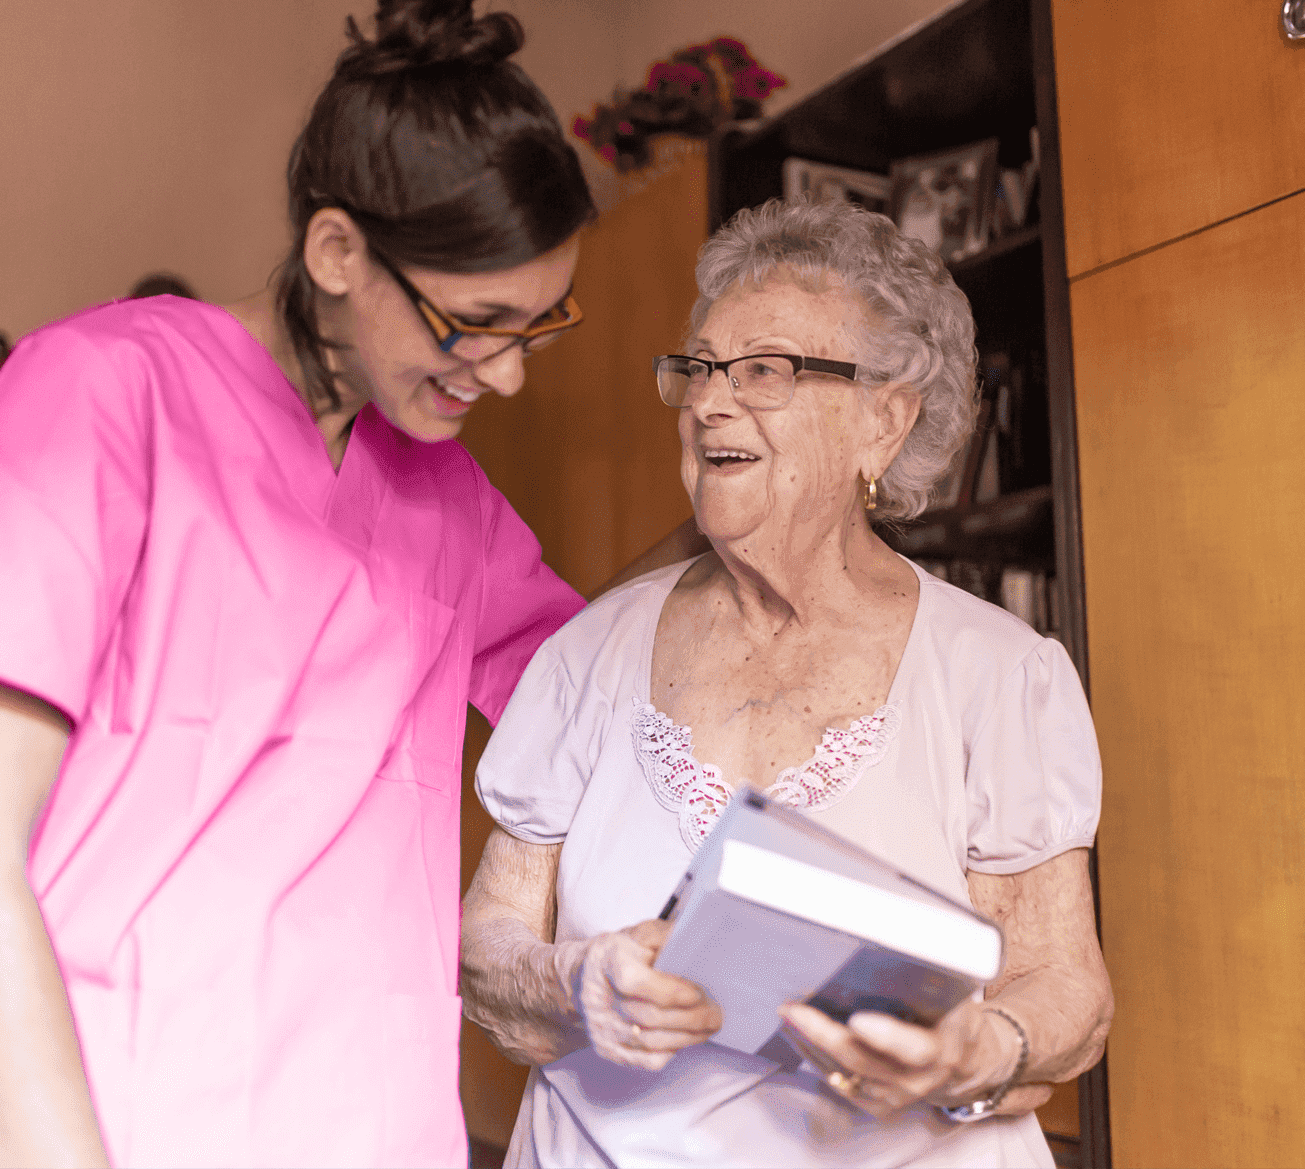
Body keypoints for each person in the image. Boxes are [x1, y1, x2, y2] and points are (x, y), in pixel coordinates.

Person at [0, 0, 605, 1165]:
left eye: (536, 325)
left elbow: (605, 688)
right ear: (335, 250)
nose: (507, 375)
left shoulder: (449, 503)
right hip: (91, 1121)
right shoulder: (98, 396)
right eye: (474, 324)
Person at [461, 196, 1114, 1168]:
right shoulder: (586, 655)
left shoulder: (999, 675)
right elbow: (486, 946)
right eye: (700, 367)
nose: (709, 403)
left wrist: (980, 1047)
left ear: (885, 421)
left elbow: (1068, 989)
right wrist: (573, 980)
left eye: (763, 370)